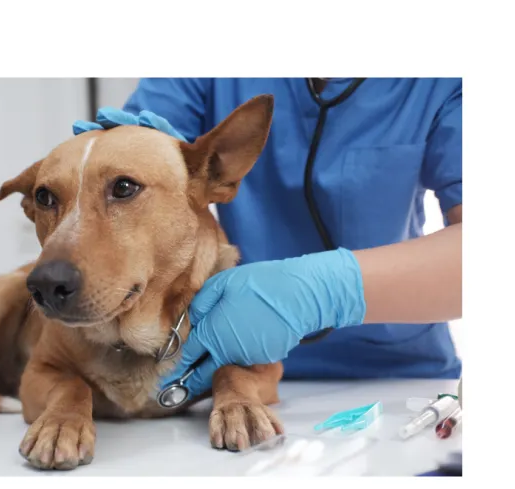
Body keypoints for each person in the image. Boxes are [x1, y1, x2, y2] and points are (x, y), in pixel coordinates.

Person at [76, 78, 462, 400]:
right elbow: (141, 166)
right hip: (231, 364)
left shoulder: (442, 80)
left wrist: (325, 291)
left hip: (403, 381)